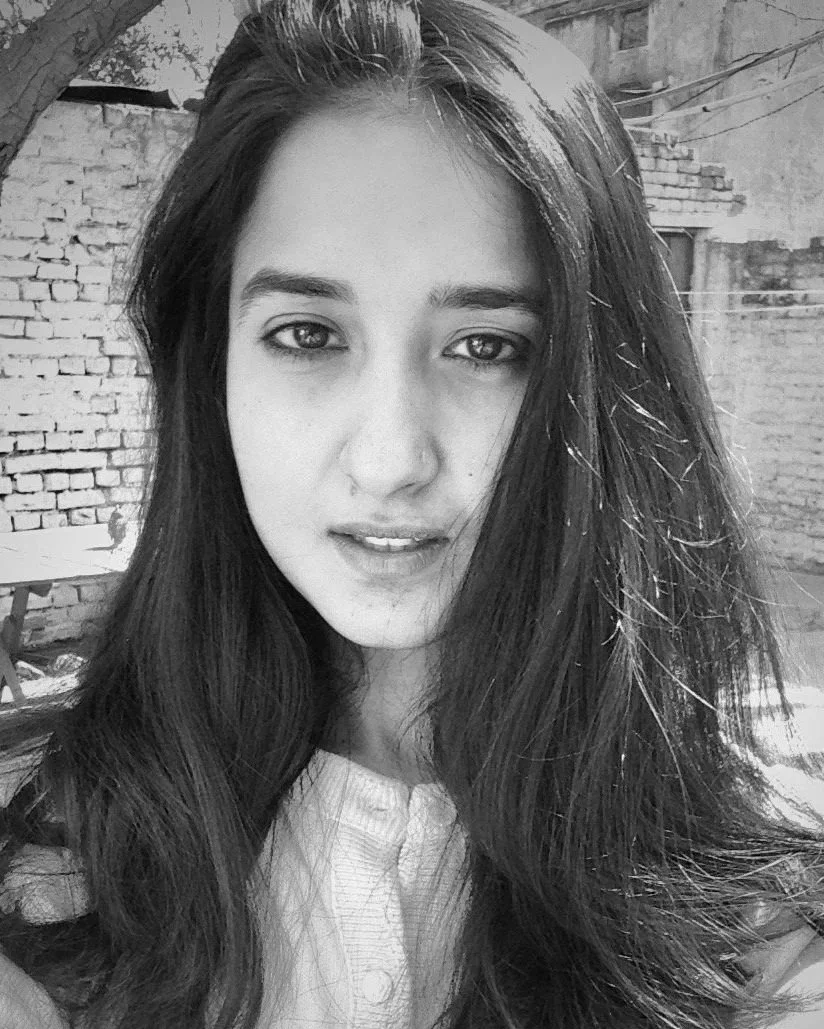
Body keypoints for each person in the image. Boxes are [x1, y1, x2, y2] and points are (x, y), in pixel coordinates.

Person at [1, 1, 822, 1026]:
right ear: (209, 366)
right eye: (307, 335)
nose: (390, 460)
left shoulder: (749, 917)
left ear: (596, 388)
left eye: (486, 347)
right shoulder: (48, 867)